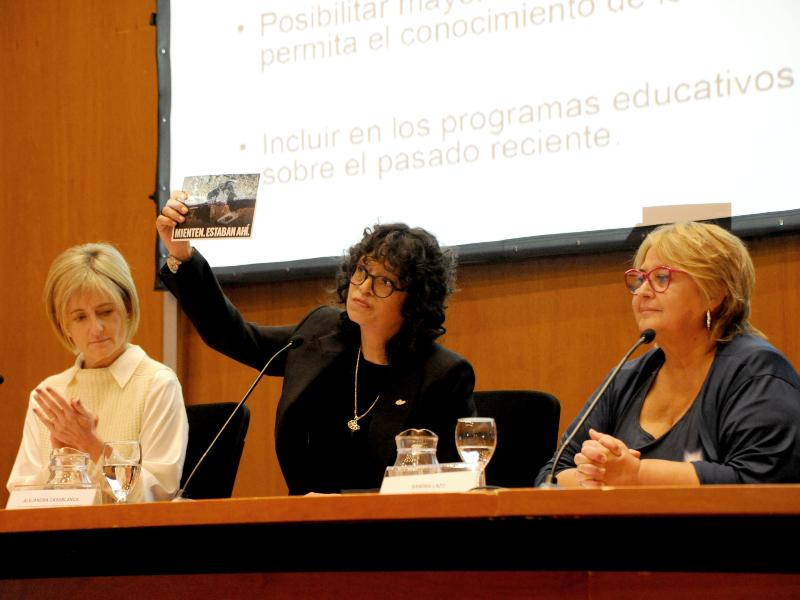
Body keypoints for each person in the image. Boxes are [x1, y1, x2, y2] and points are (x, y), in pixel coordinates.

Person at [157, 191, 476, 495]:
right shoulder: (322, 334)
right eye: (363, 271)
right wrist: (182, 256)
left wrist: (340, 507)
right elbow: (234, 335)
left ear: (416, 301)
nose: (364, 288)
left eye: (385, 282)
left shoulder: (443, 376)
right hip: (306, 531)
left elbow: (450, 487)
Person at [536, 221, 800, 487]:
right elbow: (551, 475)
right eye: (639, 279)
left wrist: (636, 476)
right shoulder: (628, 378)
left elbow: (760, 482)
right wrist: (594, 476)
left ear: (715, 293)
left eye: (661, 277)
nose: (642, 292)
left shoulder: (758, 373)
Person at [6, 243, 189, 502]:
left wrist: (91, 446)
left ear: (126, 309)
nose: (97, 328)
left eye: (105, 311)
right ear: (64, 325)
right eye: (80, 317)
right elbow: (20, 500)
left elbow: (155, 497)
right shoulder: (48, 393)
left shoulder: (157, 384)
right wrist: (62, 462)